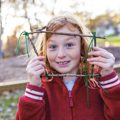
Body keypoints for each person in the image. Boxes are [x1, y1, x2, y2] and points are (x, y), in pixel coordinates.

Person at [16, 15, 120, 120]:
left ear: (82, 47)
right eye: (53, 47)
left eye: (69, 45)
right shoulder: (40, 89)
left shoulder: (98, 84)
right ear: (44, 51)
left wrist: (110, 82)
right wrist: (34, 90)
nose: (61, 54)